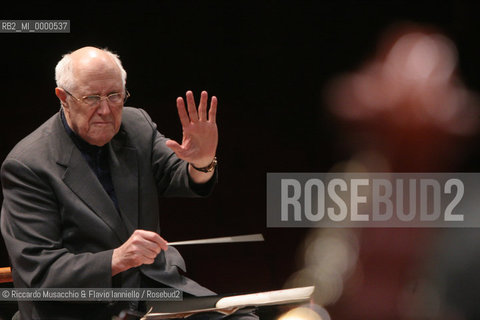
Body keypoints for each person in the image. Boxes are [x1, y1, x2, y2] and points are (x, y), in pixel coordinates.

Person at [0, 47, 257, 319]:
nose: (105, 110)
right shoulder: (28, 165)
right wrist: (116, 259)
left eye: (114, 96)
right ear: (63, 98)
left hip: (150, 294)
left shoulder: (136, 125)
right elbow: (42, 275)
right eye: (92, 98)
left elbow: (178, 175)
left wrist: (202, 162)